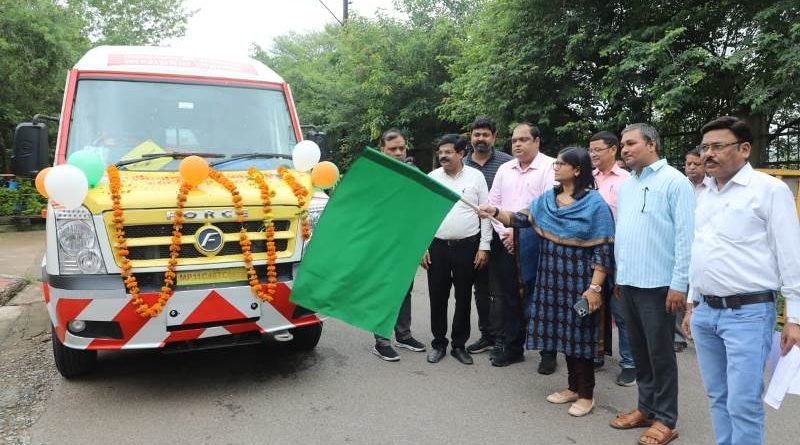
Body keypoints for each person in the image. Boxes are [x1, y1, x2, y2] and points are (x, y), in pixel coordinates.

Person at [683, 116, 800, 445]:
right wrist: (692, 304)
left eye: (718, 146)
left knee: (743, 403)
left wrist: (794, 317)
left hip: (747, 313)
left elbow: (791, 256)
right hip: (706, 311)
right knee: (717, 396)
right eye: (705, 147)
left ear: (744, 149)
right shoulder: (704, 194)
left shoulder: (768, 190)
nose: (709, 154)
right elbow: (699, 252)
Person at [479, 147, 614, 417]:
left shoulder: (594, 204)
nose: (556, 167)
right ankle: (572, 388)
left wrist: (595, 288)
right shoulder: (549, 199)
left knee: (581, 335)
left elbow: (603, 249)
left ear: (577, 170)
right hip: (551, 279)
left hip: (581, 281)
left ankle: (587, 395)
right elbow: (521, 219)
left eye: (562, 164)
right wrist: (494, 211)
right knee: (562, 332)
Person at [609, 123, 694, 445]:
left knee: (660, 355)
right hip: (629, 281)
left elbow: (687, 237)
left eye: (631, 143)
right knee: (640, 352)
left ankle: (666, 420)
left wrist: (679, 285)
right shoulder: (629, 184)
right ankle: (645, 408)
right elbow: (626, 233)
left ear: (652, 144)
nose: (625, 149)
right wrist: (620, 275)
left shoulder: (675, 182)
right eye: (622, 144)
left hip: (660, 285)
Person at [486, 122, 555, 368]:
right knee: (510, 296)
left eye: (523, 140)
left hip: (538, 243)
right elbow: (492, 202)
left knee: (542, 297)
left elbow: (549, 206)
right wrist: (507, 234)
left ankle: (548, 353)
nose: (517, 144)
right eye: (514, 140)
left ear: (537, 141)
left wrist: (522, 236)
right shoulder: (505, 169)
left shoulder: (550, 167)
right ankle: (514, 348)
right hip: (506, 241)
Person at [422, 134, 492, 365]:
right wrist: (423, 246)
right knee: (438, 296)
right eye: (440, 152)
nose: (443, 156)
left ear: (461, 153)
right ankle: (439, 343)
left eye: (448, 152)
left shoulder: (476, 177)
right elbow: (423, 217)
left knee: (463, 297)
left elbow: (486, 214)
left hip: (468, 246)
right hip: (438, 246)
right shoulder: (432, 178)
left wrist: (484, 246)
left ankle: (459, 345)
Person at [371, 128, 426, 361]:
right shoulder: (373, 173)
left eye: (401, 148)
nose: (398, 152)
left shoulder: (414, 173)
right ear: (381, 149)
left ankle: (403, 335)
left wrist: (421, 243)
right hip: (380, 243)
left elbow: (421, 210)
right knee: (384, 291)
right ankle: (381, 341)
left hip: (406, 243)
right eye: (392, 149)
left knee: (405, 289)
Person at [589, 131, 636, 386]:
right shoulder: (589, 179)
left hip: (619, 253)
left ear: (613, 150)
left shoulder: (627, 181)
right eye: (590, 150)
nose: (593, 154)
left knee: (621, 310)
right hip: (592, 251)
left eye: (598, 149)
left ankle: (629, 362)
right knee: (592, 304)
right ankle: (595, 352)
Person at [463, 116, 513, 356]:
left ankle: (503, 338)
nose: (480, 139)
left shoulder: (507, 164)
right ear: (470, 137)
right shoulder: (462, 165)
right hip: (473, 236)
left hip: (502, 234)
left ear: (494, 137)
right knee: (480, 290)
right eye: (476, 134)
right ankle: (487, 335)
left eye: (485, 134)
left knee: (501, 289)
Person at [672, 147, 707, 354]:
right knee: (680, 288)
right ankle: (678, 335)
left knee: (701, 290)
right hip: (683, 245)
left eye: (697, 164)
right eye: (688, 164)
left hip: (704, 248)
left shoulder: (712, 188)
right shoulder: (678, 186)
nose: (692, 168)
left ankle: (700, 331)